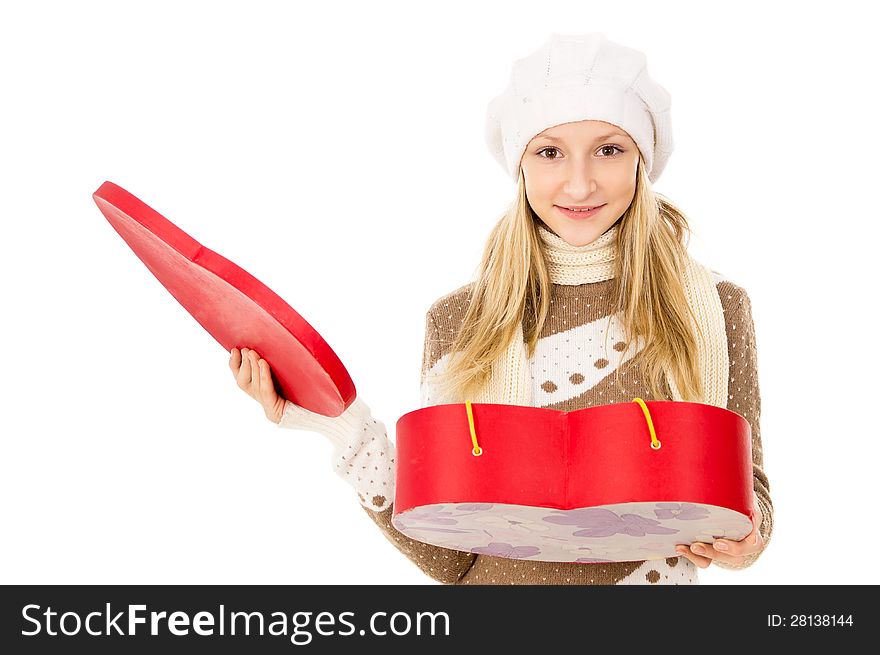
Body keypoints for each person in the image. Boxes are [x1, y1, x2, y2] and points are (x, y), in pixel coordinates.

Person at [229, 32, 773, 585]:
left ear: (642, 160)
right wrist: (343, 429)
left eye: (609, 149)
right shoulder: (459, 321)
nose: (579, 182)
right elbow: (449, 555)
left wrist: (742, 541)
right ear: (520, 165)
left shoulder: (713, 308)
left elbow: (751, 501)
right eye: (549, 152)